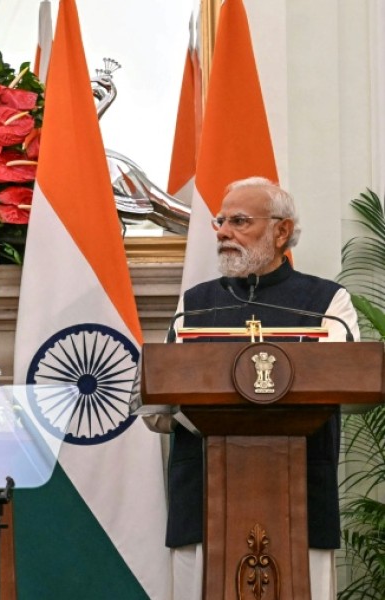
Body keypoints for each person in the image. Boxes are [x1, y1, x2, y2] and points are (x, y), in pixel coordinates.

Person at [152, 176, 358, 600]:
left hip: (299, 492)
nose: (223, 232)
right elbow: (161, 398)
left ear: (281, 231)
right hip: (204, 494)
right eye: (220, 221)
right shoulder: (196, 303)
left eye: (239, 221)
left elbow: (346, 380)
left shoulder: (328, 304)